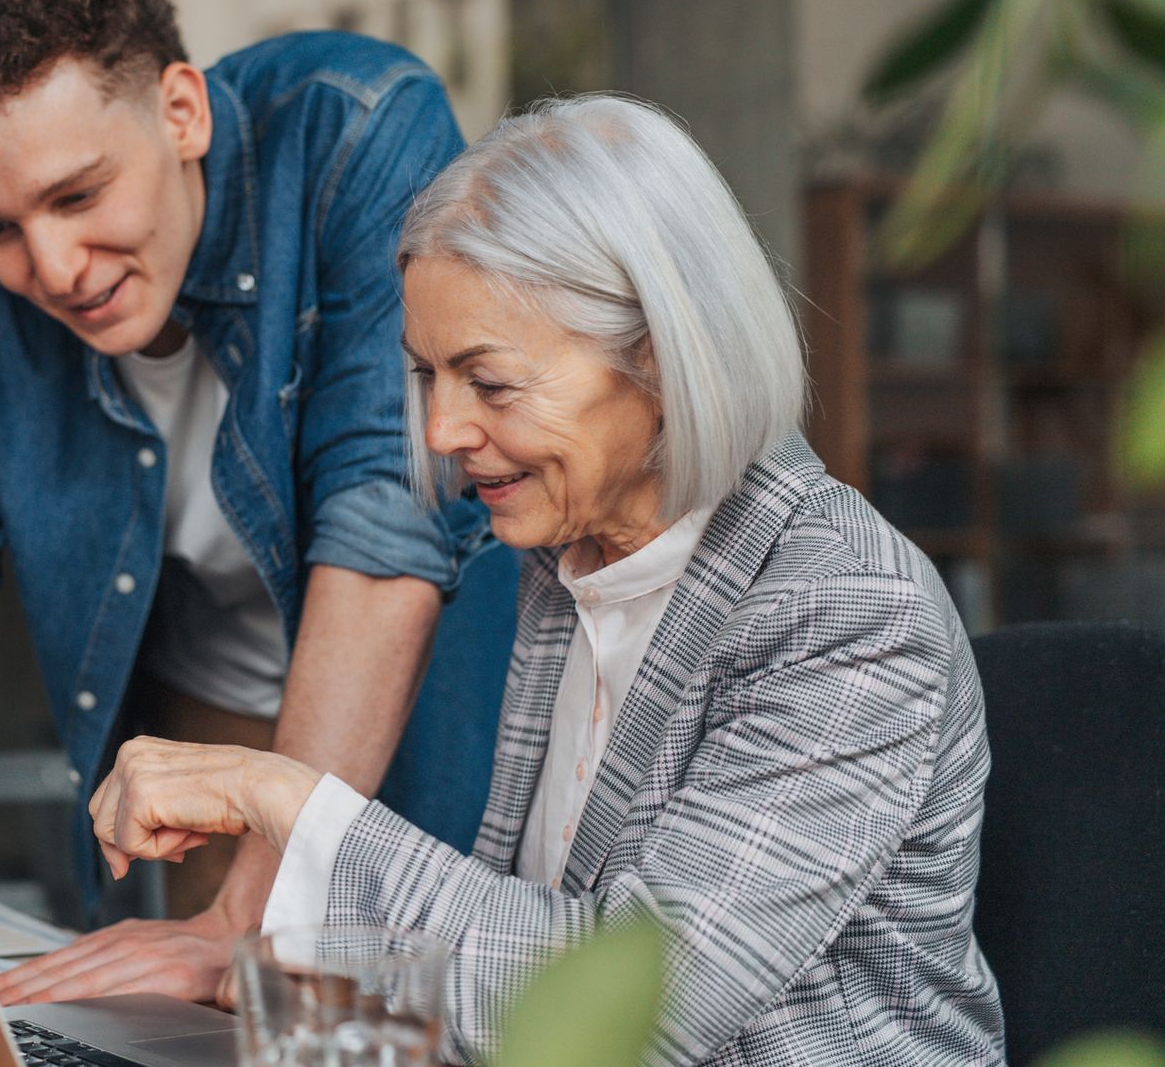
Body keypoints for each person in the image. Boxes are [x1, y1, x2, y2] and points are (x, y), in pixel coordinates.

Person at [85, 95, 1007, 1064]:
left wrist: (283, 796)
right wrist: (275, 977)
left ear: (654, 352)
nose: (442, 432)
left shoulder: (848, 604)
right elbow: (534, 935)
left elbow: (637, 1009)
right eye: (425, 377)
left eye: (489, 382)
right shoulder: (558, 562)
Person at [0, 0, 517, 1007]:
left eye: (79, 197)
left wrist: (250, 917)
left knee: (397, 1006)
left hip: (397, 713)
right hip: (204, 745)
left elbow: (388, 521)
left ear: (181, 110)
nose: (50, 269)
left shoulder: (351, 128)